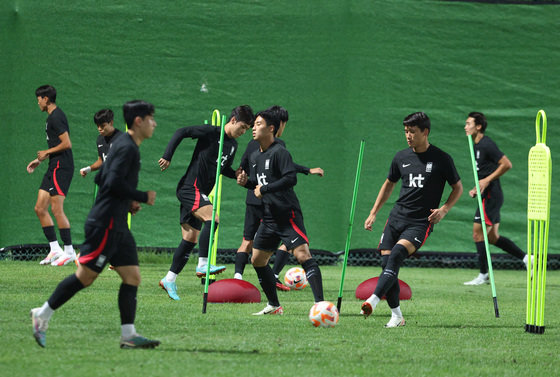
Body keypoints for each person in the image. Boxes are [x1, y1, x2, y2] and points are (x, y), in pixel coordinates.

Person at [30, 100, 160, 349]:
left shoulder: (123, 144)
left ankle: (128, 335)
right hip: (106, 223)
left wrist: (129, 199)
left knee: (132, 277)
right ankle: (42, 314)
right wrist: (141, 196)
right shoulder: (127, 147)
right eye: (151, 118)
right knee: (85, 278)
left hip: (118, 223)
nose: (154, 123)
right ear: (138, 121)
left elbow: (101, 176)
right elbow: (110, 182)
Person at [360, 112, 463, 327]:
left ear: (425, 132)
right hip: (396, 218)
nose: (408, 135)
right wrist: (373, 212)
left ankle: (373, 299)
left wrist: (444, 209)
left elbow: (458, 188)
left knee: (397, 254)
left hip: (420, 222)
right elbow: (388, 185)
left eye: (412, 132)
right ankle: (397, 316)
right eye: (406, 131)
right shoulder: (400, 157)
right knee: (387, 264)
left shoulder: (442, 159)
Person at [158, 105, 254, 301]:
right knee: (213, 218)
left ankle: (169, 279)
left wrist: (235, 173)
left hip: (199, 192)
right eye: (242, 127)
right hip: (190, 187)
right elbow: (181, 132)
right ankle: (203, 263)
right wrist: (167, 155)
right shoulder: (211, 132)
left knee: (190, 238)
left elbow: (222, 168)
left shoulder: (233, 145)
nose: (243, 132)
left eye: (246, 129)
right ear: (233, 120)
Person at [237, 109, 324, 315]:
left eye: (258, 124)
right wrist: (247, 184)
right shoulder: (255, 155)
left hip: (287, 215)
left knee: (303, 255)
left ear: (271, 128)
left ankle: (321, 305)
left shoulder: (280, 152)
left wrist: (263, 189)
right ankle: (274, 306)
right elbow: (260, 185)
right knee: (257, 260)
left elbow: (289, 179)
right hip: (268, 217)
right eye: (254, 124)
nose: (253, 128)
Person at [463, 112, 530, 285]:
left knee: (478, 234)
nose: (465, 127)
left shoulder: (486, 144)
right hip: (487, 194)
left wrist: (485, 181)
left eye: (469, 123)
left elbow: (506, 164)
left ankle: (483, 274)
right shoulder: (475, 145)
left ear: (478, 126)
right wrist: (477, 187)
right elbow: (485, 173)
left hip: (491, 196)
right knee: (492, 238)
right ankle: (526, 258)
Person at [27, 85, 76, 266]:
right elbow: (57, 145)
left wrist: (46, 152)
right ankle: (55, 249)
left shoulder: (56, 117)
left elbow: (67, 143)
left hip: (62, 167)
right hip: (52, 166)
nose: (38, 102)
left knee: (56, 209)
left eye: (39, 98)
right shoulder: (50, 118)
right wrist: (40, 159)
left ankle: (69, 251)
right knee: (40, 208)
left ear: (46, 99)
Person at [79, 109, 123, 177]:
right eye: (97, 126)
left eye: (102, 126)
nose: (99, 129)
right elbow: (101, 161)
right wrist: (88, 169)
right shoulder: (100, 139)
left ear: (111, 123)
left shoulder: (122, 138)